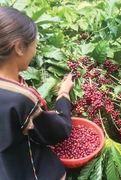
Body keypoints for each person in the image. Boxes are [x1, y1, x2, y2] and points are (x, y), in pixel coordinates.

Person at [0, 7, 74, 180]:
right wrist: (64, 94)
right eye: (34, 45)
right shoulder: (20, 99)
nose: (35, 52)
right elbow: (58, 131)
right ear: (19, 47)